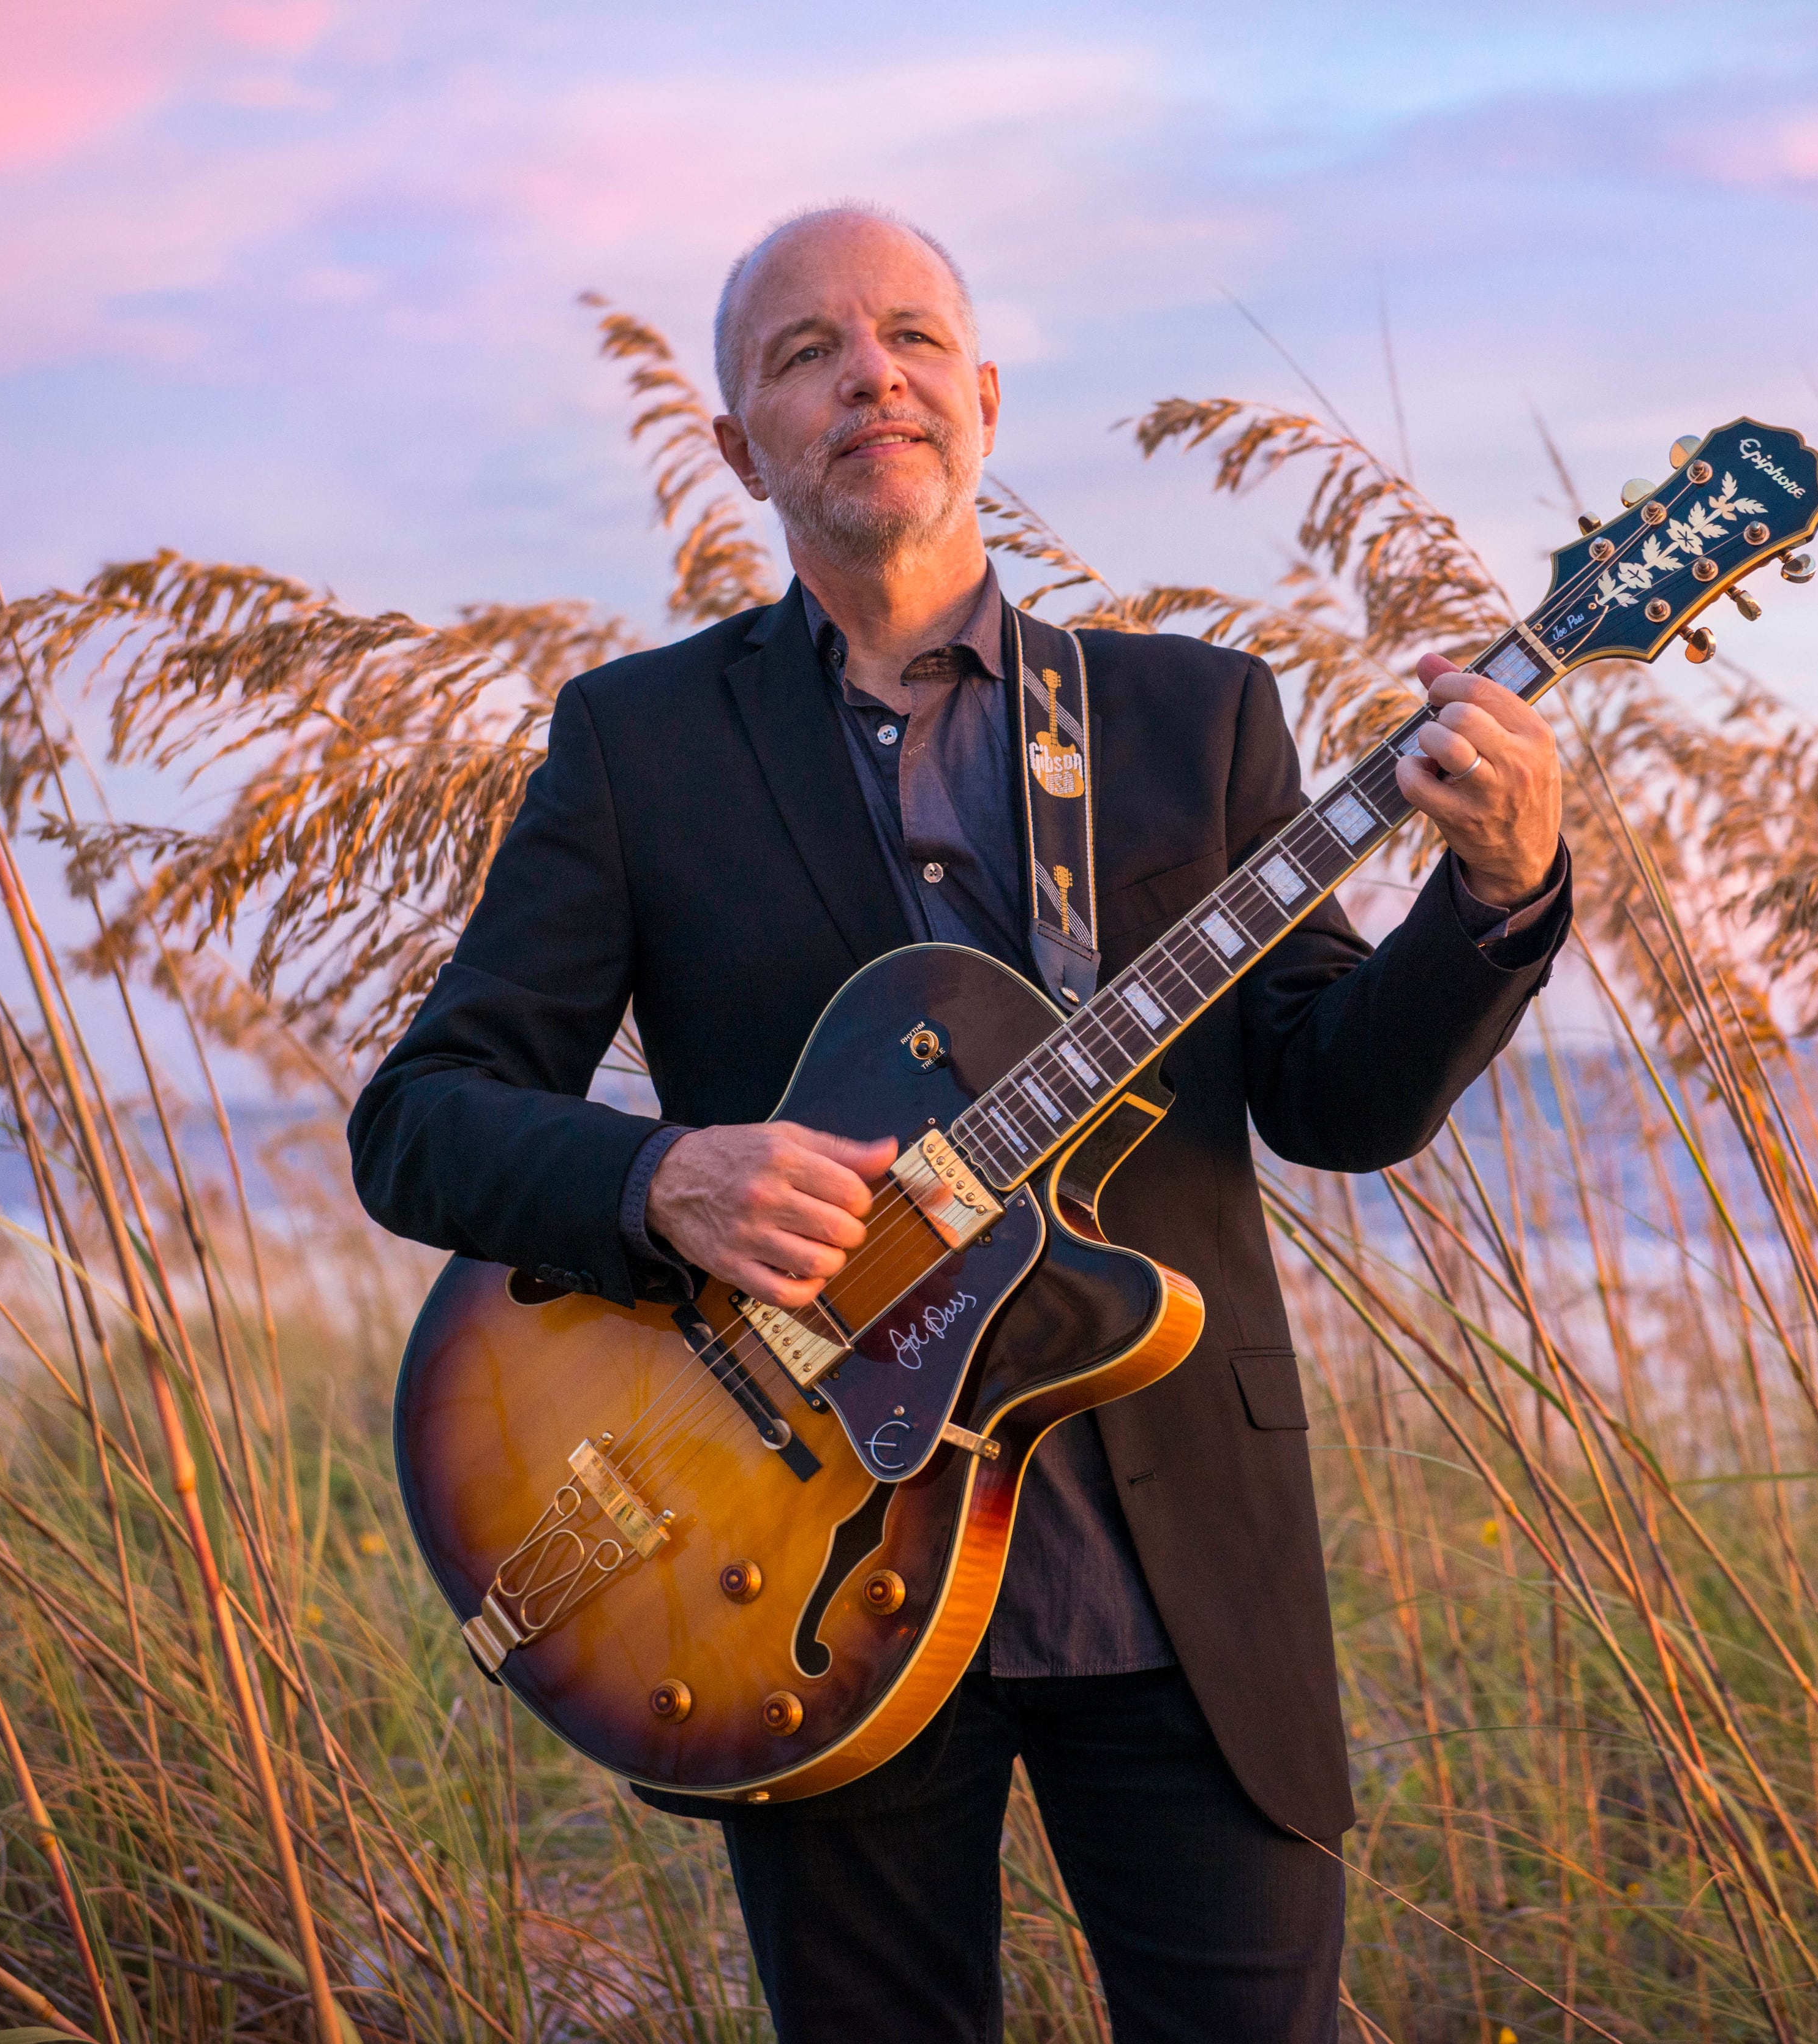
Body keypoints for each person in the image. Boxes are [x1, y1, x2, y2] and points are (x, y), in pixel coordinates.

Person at [348, 204, 1571, 2043]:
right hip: (806, 1567)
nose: (871, 376)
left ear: (983, 399)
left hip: (1169, 1563)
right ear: (737, 442)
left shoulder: (1187, 715)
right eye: (806, 353)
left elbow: (1334, 1095)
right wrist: (663, 1176)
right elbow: (420, 1122)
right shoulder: (638, 745)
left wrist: (1503, 894)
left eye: (911, 337)